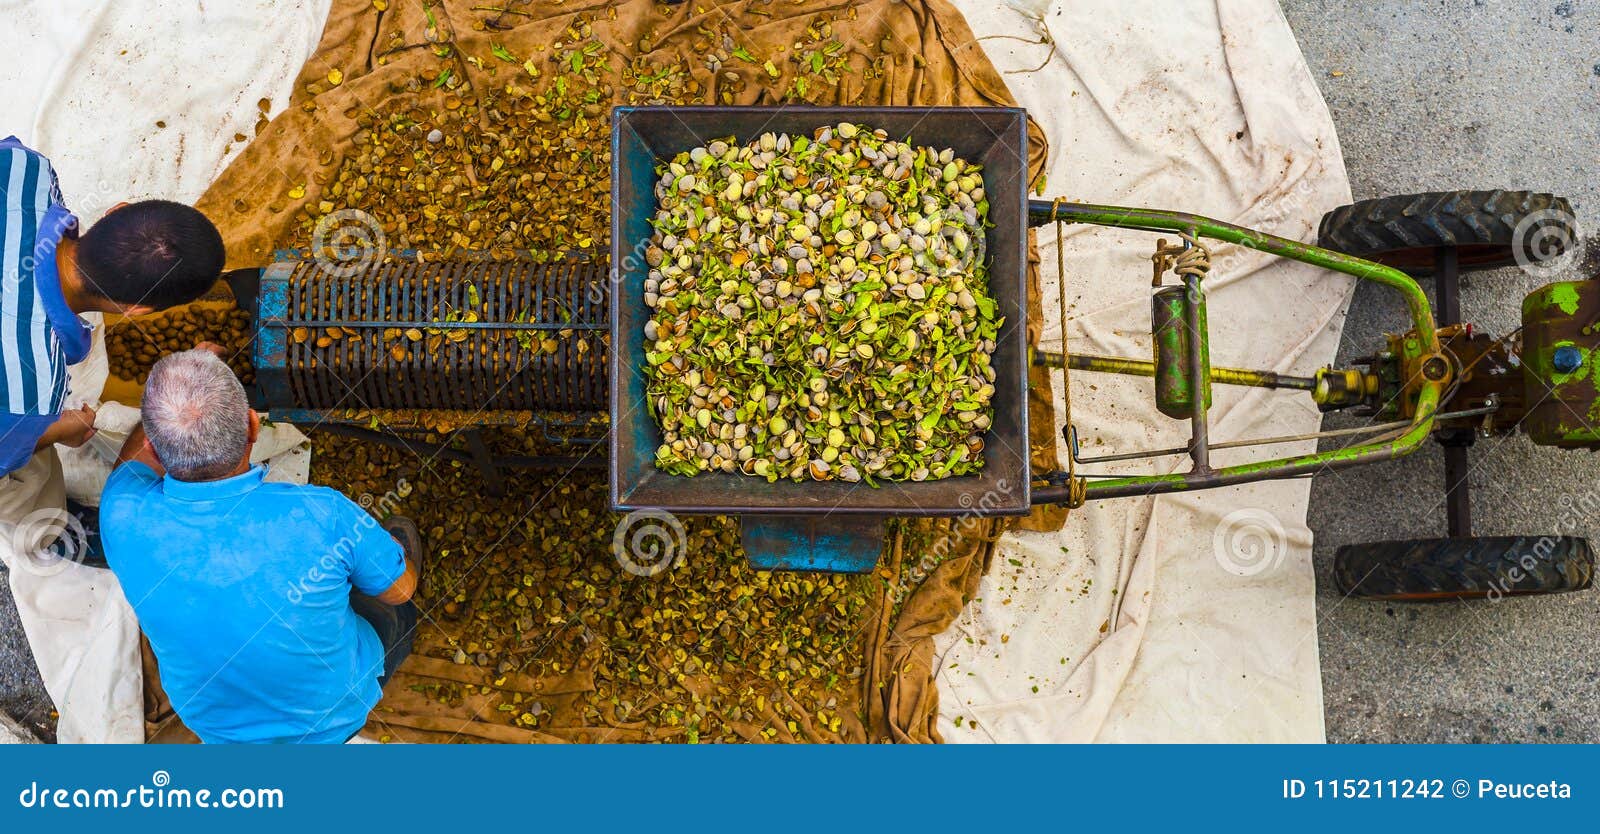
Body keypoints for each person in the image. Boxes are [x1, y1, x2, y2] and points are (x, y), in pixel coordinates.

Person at [100, 348, 424, 743]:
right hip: (334, 718)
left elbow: (132, 464)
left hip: (216, 731)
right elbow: (400, 589)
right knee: (394, 596)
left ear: (152, 447)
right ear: (254, 427)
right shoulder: (321, 515)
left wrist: (175, 401)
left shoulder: (121, 513)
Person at [0, 135, 225, 561]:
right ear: (137, 311)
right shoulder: (30, 391)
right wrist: (54, 432)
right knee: (24, 480)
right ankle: (51, 532)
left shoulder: (22, 169)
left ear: (116, 211)